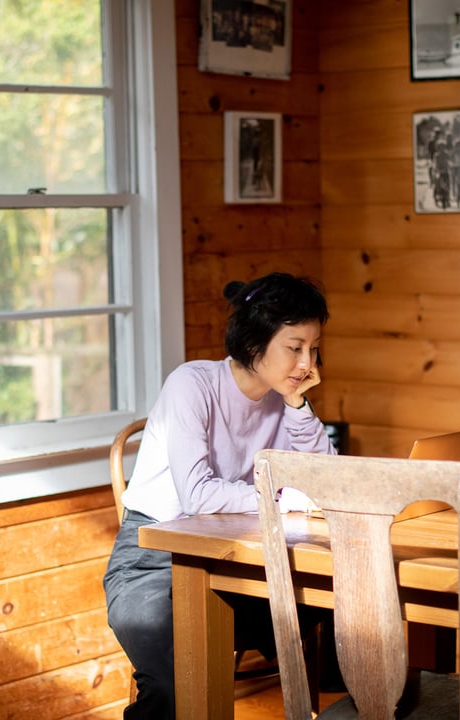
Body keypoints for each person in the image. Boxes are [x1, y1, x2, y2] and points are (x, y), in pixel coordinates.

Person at [102, 271, 337, 720]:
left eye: (314, 347)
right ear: (254, 343)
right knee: (176, 685)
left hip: (233, 559)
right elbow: (198, 496)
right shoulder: (192, 384)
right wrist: (281, 497)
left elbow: (321, 481)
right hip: (150, 560)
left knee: (324, 600)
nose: (308, 363)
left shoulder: (281, 399)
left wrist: (299, 407)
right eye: (294, 348)